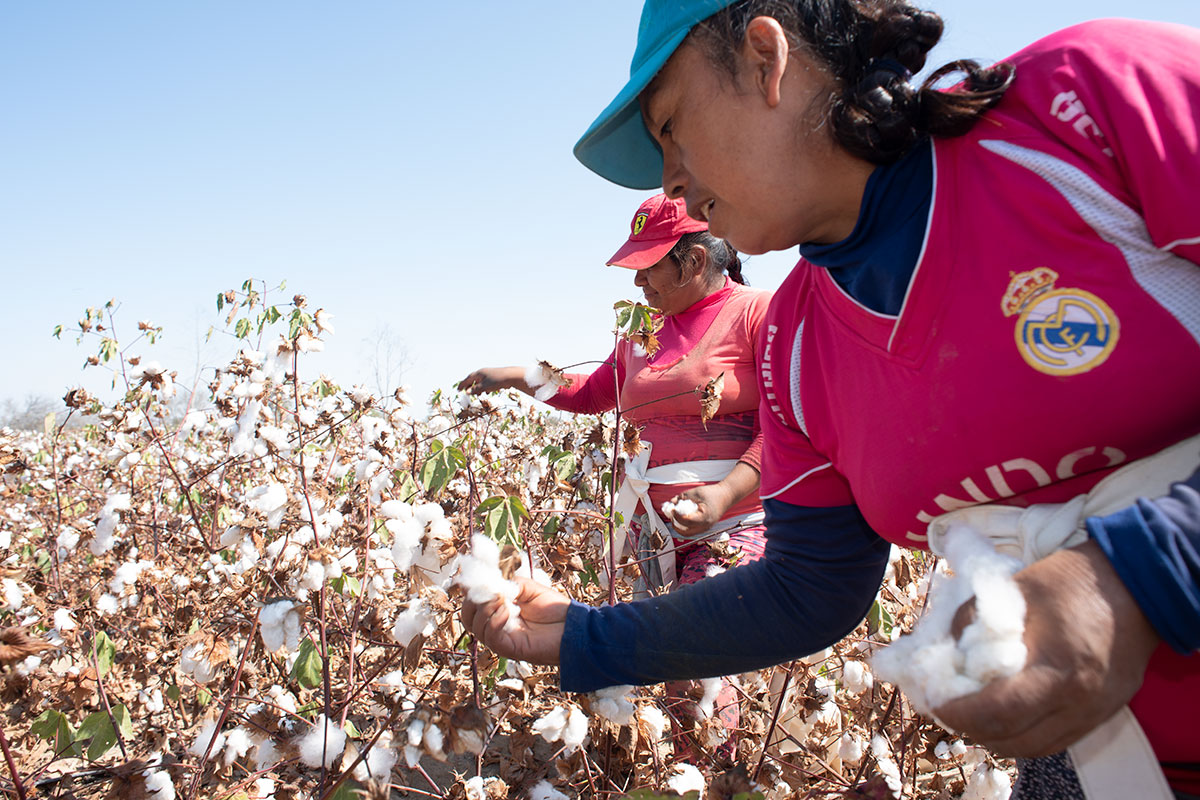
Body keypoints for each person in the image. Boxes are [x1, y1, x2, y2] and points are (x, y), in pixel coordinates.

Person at [463, 2, 1200, 798]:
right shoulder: (797, 347)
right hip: (1103, 762)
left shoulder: (1090, 107)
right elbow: (807, 588)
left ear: (762, 59)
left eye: (673, 126)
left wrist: (1139, 574)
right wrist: (583, 635)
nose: (670, 178)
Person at [459, 192, 774, 760]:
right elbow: (597, 392)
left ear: (695, 261)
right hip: (651, 530)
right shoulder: (642, 328)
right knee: (651, 658)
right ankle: (669, 770)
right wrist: (515, 375)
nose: (637, 285)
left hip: (735, 523)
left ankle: (713, 775)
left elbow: (787, 426)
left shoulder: (757, 313)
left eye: (648, 268)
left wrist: (724, 492)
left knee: (696, 659)